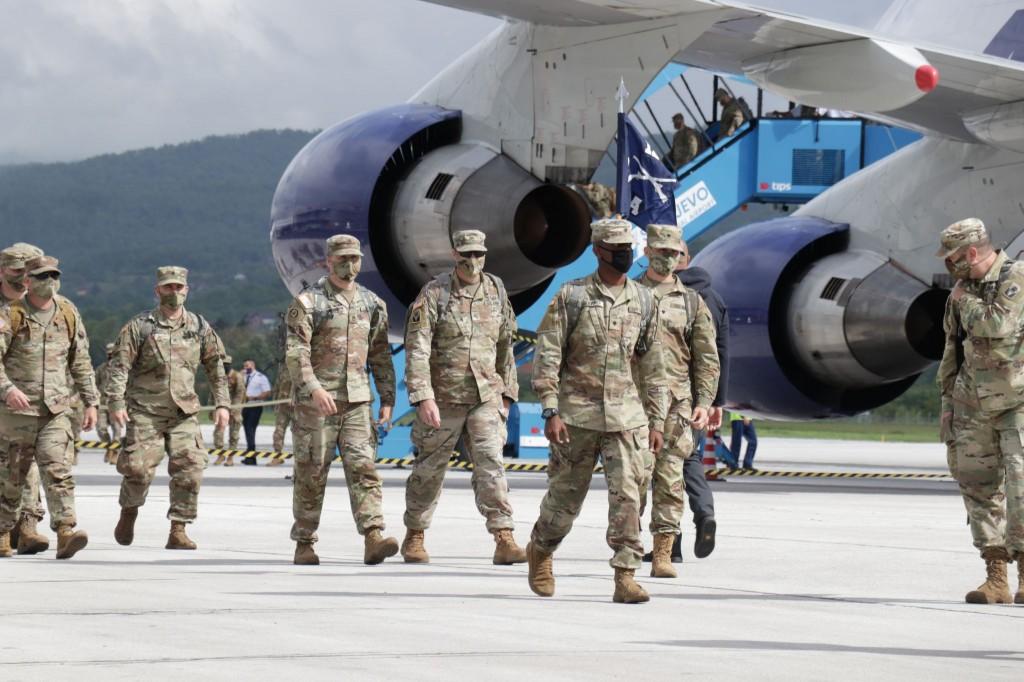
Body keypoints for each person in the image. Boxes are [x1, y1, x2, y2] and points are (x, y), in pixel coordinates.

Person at [527, 218, 669, 603]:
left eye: (629, 249)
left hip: (627, 417)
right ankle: (541, 548)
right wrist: (550, 409)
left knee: (628, 496)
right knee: (565, 500)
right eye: (617, 249)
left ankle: (625, 575)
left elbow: (654, 366)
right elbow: (548, 356)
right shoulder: (571, 297)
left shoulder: (643, 300)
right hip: (577, 416)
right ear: (599, 251)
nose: (625, 256)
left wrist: (657, 420)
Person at [402, 229, 526, 565]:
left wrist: (507, 396)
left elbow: (506, 345)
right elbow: (417, 348)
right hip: (444, 397)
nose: (473, 261)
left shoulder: (496, 289)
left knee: (491, 467)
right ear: (455, 254)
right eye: (466, 254)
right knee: (429, 469)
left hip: (486, 395)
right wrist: (423, 397)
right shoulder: (435, 293)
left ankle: (504, 537)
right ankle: (415, 534)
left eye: (478, 254)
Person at [285, 234, 398, 566]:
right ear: (328, 261)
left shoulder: (372, 304)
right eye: (343, 259)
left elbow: (380, 354)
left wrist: (387, 398)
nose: (350, 265)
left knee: (364, 468)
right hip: (316, 404)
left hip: (357, 402)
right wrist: (313, 388)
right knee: (311, 471)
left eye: (355, 259)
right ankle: (304, 542)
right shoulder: (309, 303)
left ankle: (373, 536)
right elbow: (296, 353)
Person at [106, 266, 230, 551]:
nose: (173, 292)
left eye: (178, 287)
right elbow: (119, 367)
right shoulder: (140, 327)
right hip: (146, 411)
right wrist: (115, 402)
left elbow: (216, 367)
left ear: (186, 290)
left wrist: (222, 403)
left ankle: (179, 528)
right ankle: (129, 510)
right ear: (157, 290)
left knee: (190, 469)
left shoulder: (199, 327)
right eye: (168, 287)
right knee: (137, 469)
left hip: (183, 412)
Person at [936, 218, 1024, 604]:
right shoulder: (961, 290)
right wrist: (947, 402)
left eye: (952, 257)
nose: (948, 264)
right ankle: (996, 578)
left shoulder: (1015, 277)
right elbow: (952, 348)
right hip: (971, 403)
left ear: (972, 252)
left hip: (1017, 403)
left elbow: (997, 324)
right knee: (977, 486)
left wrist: (964, 299)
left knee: (1021, 488)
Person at [0, 255, 97, 559]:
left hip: (55, 410)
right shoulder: (11, 315)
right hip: (17, 413)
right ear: (27, 282)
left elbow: (80, 360)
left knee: (59, 470)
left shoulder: (67, 312)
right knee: (12, 477)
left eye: (54, 276)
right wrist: (7, 390)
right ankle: (3, 532)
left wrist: (91, 400)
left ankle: (66, 531)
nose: (49, 282)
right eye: (42, 276)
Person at [636, 224, 719, 578]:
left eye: (673, 253)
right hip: (632, 404)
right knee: (631, 483)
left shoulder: (692, 302)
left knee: (670, 480)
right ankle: (627, 543)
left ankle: (664, 553)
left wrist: (704, 400)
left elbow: (707, 357)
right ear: (647, 253)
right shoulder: (628, 295)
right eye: (660, 251)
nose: (667, 258)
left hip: (676, 406)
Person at [674, 238, 730, 561]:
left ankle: (671, 545)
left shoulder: (658, 295)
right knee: (689, 458)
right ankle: (704, 512)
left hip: (661, 394)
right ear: (690, 259)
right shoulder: (715, 298)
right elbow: (722, 353)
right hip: (699, 396)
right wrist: (717, 402)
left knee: (663, 468)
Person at [0, 243, 51, 553]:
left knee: (28, 462)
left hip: (32, 401)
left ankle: (27, 525)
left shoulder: (44, 306)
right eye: (17, 271)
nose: (23, 277)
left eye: (29, 271)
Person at [212, 355, 245, 466]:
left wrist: (234, 409)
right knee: (218, 433)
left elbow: (240, 394)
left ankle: (230, 457)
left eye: (225, 365)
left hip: (234, 409)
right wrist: (213, 408)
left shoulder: (237, 376)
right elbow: (213, 392)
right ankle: (220, 454)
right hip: (221, 408)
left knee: (234, 434)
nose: (223, 367)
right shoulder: (218, 376)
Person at [240, 359, 271, 464]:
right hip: (244, 406)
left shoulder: (260, 377)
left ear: (253, 365)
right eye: (244, 366)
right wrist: (240, 375)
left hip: (255, 405)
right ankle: (250, 455)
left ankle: (251, 456)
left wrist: (255, 397)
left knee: (250, 429)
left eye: (247, 366)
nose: (245, 368)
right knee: (247, 430)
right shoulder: (243, 376)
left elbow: (267, 392)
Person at [93, 342, 119, 463]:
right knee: (101, 429)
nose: (110, 355)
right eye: (108, 353)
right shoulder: (101, 369)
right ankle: (109, 447)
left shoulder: (121, 369)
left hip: (116, 404)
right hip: (102, 404)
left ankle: (115, 453)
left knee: (117, 430)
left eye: (112, 353)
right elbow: (95, 384)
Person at [270, 366, 293, 466]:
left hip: (298, 406)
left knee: (300, 434)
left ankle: (302, 460)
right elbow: (277, 386)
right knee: (278, 432)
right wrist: (275, 402)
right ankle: (277, 456)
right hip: (282, 406)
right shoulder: (283, 369)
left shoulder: (305, 367)